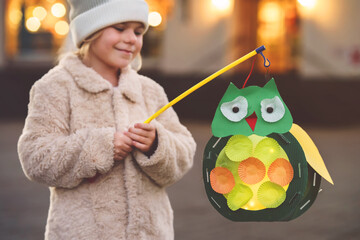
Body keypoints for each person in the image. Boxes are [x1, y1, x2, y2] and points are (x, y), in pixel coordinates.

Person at [17, 0, 196, 239]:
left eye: (138, 31)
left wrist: (156, 144)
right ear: (90, 31)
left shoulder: (149, 91)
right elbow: (35, 157)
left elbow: (184, 153)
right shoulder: (56, 87)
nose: (132, 38)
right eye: (120, 28)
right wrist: (100, 146)